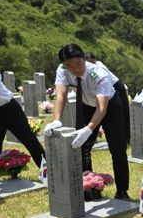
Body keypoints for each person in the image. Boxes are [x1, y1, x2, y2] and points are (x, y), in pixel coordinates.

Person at [44, 44, 130, 200]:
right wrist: (56, 120)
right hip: (86, 104)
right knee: (82, 147)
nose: (75, 69)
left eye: (78, 64)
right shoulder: (62, 70)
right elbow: (61, 96)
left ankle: (122, 190)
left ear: (84, 59)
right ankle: (87, 185)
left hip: (110, 106)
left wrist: (89, 129)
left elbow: (102, 108)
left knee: (117, 149)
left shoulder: (98, 73)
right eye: (69, 66)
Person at [86, 51, 130, 143]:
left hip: (116, 87)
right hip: (108, 90)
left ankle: (126, 138)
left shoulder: (99, 66)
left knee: (123, 114)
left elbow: (106, 82)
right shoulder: (89, 69)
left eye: (91, 61)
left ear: (94, 59)